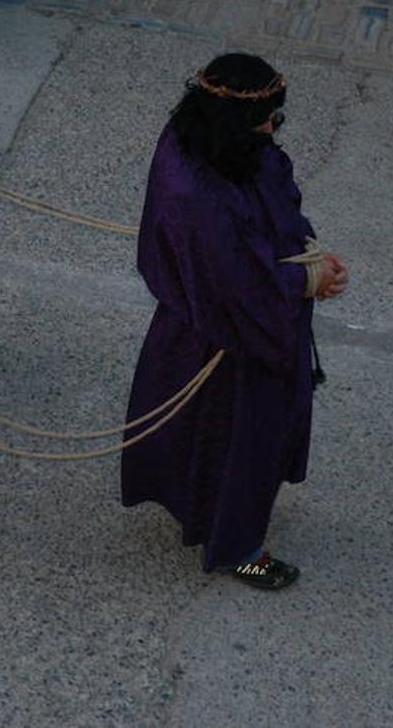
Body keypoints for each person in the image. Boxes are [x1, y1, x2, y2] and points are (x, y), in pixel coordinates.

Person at [122, 53, 349, 590]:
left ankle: (216, 513)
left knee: (209, 440)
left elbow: (264, 208)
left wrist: (306, 252)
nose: (272, 129)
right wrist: (305, 282)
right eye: (265, 119)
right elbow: (234, 287)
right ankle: (238, 548)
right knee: (244, 442)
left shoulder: (205, 139)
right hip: (226, 340)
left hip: (218, 323)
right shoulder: (195, 194)